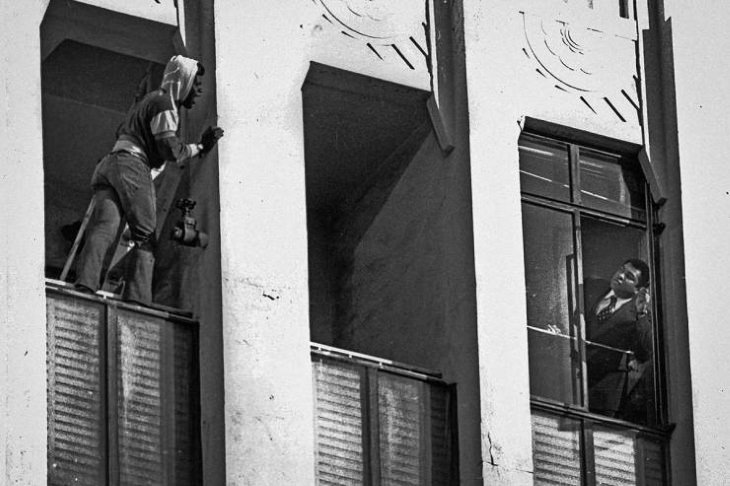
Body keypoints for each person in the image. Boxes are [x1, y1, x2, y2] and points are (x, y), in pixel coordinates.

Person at [74, 55, 224, 305]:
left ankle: (84, 287)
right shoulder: (165, 103)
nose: (198, 92)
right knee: (145, 234)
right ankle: (138, 301)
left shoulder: (147, 100)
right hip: (132, 166)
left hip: (109, 164)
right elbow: (169, 148)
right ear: (183, 81)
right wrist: (200, 146)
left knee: (103, 228)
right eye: (196, 84)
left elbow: (122, 129)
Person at [585, 258, 653, 421]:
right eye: (622, 269)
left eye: (629, 277)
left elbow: (645, 352)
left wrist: (641, 313)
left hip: (602, 391)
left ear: (638, 290)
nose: (621, 275)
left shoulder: (638, 315)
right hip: (567, 374)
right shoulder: (591, 286)